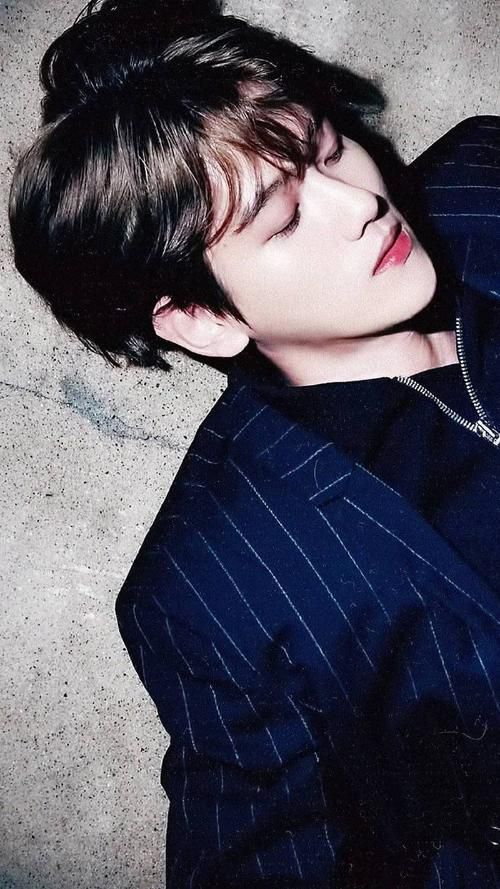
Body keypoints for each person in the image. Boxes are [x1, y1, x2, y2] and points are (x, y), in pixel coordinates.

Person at [8, 0, 500, 886]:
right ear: (201, 318)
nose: (362, 201)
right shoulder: (213, 587)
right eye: (284, 219)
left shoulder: (485, 176)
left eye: (328, 147)